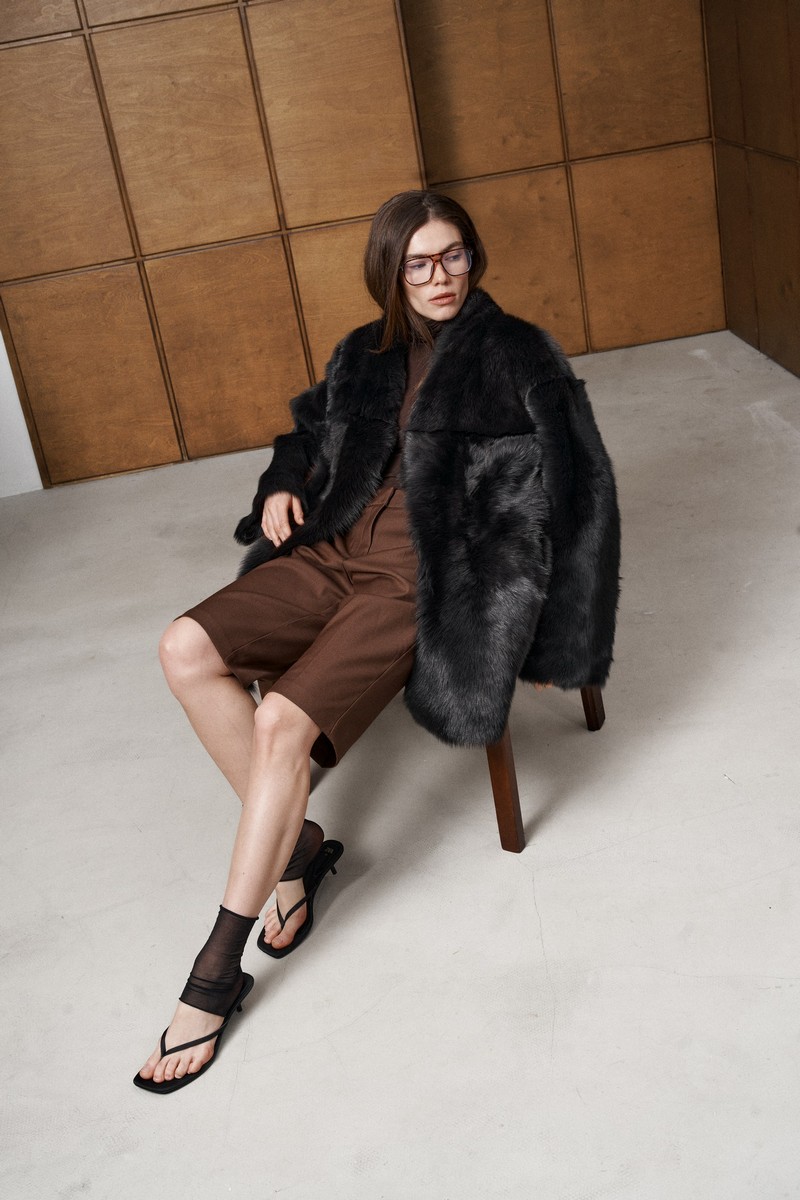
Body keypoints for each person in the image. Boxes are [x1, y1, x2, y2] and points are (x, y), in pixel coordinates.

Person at [134, 190, 620, 1093]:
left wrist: (560, 635)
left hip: (421, 572)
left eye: (454, 256)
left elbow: (583, 490)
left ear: (474, 257)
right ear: (390, 273)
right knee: (182, 647)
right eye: (419, 263)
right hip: (331, 544)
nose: (440, 278)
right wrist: (284, 481)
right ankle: (298, 850)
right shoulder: (366, 351)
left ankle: (216, 970)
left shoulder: (518, 355)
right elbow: (306, 431)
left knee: (280, 722)